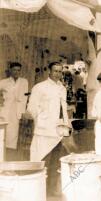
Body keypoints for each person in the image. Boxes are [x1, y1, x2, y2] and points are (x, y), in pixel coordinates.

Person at [26, 62, 69, 196]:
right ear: (49, 72)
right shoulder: (40, 87)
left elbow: (63, 109)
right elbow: (31, 109)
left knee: (55, 163)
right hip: (44, 131)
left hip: (59, 130)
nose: (58, 74)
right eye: (55, 71)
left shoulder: (62, 88)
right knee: (42, 160)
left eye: (60, 71)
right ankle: (39, 191)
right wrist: (42, 120)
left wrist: (66, 125)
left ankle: (50, 191)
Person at [0, 62, 28, 160]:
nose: (16, 72)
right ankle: (2, 154)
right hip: (5, 110)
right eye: (14, 70)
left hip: (17, 110)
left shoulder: (24, 81)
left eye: (18, 70)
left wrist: (23, 111)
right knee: (3, 132)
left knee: (13, 134)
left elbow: (25, 97)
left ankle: (10, 156)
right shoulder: (4, 82)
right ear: (10, 70)